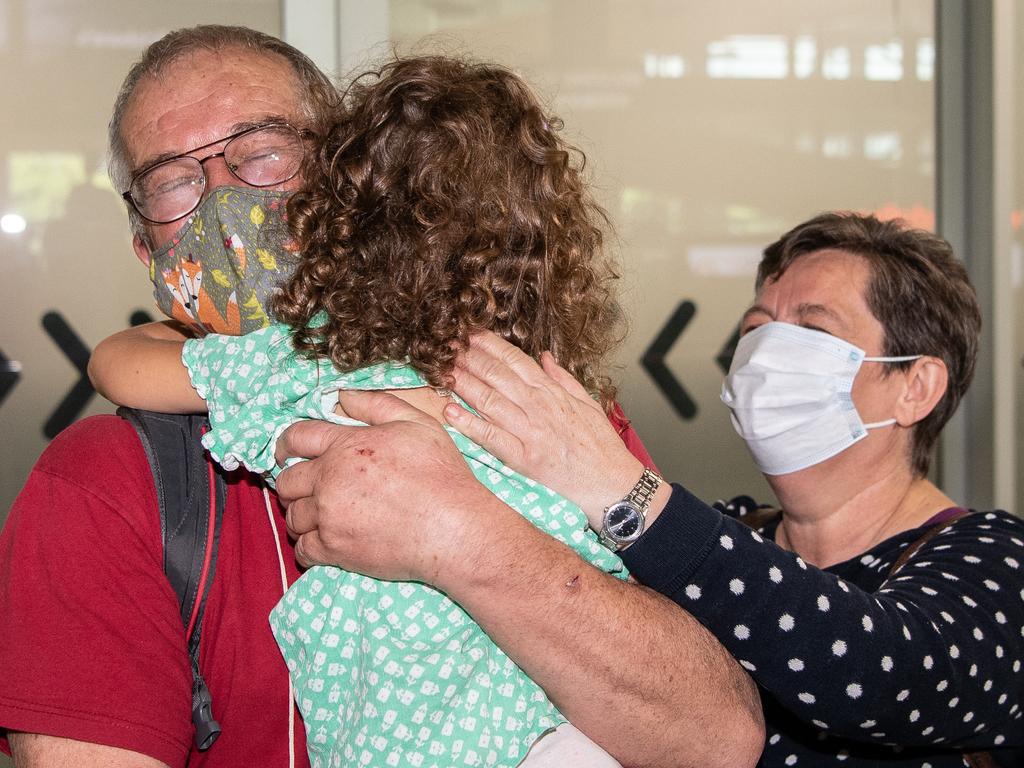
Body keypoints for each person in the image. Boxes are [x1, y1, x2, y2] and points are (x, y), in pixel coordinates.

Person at [0, 24, 764, 768]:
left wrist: (462, 537)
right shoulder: (106, 486)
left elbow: (713, 739)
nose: (224, 201)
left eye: (263, 152)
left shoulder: (527, 401)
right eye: (174, 180)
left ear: (355, 183)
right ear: (145, 246)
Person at [324, 211, 1021, 767]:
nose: (767, 354)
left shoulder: (995, 559)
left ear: (916, 386)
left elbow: (871, 672)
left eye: (812, 326)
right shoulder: (722, 535)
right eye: (757, 328)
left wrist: (622, 488)